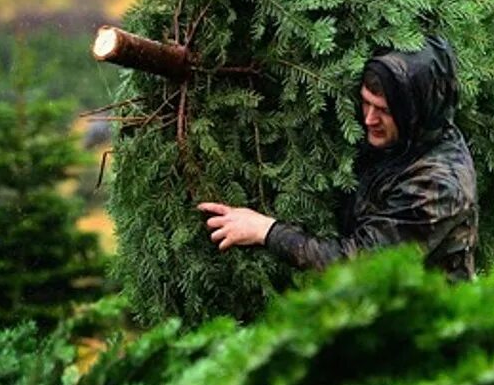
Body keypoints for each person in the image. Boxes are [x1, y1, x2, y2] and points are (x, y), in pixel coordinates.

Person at [197, 36, 478, 279]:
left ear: (415, 112)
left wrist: (266, 231)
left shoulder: (439, 185)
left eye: (384, 110)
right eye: (365, 102)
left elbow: (361, 267)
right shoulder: (403, 141)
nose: (368, 119)